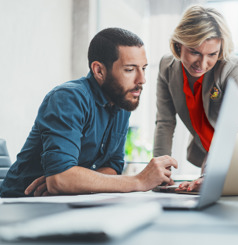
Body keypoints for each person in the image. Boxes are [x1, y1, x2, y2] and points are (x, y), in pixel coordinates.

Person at [0, 27, 177, 197]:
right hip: (19, 202)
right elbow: (60, 179)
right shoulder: (68, 98)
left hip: (67, 202)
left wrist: (73, 181)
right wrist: (138, 181)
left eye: (143, 68)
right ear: (99, 70)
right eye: (130, 70)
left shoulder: (121, 102)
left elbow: (113, 167)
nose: (142, 79)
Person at [153, 5, 238, 192]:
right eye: (194, 52)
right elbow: (165, 123)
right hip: (216, 154)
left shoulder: (233, 69)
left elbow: (232, 132)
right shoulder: (166, 68)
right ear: (178, 45)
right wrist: (159, 174)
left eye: (212, 54)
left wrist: (208, 174)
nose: (202, 63)